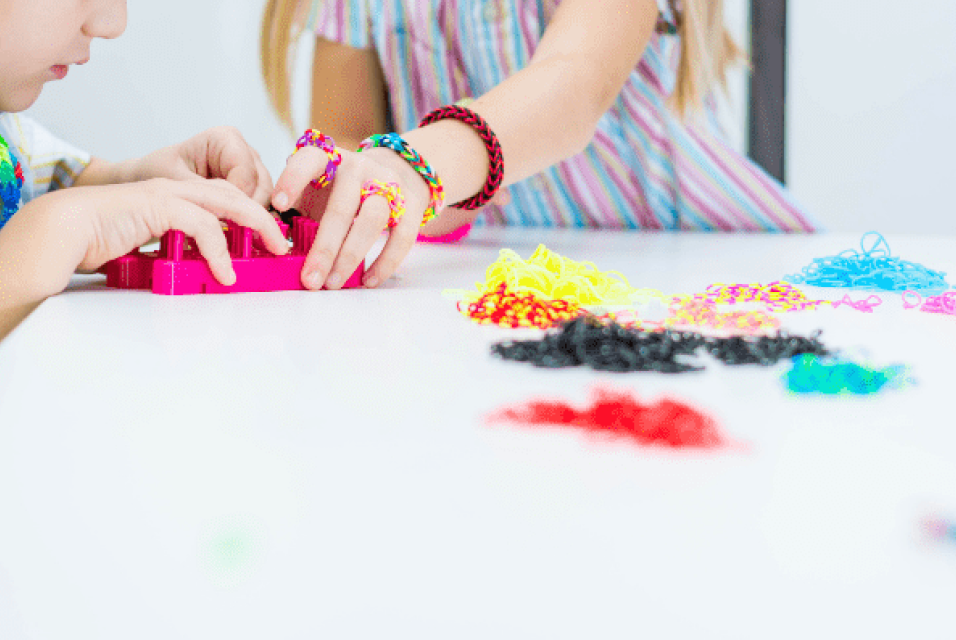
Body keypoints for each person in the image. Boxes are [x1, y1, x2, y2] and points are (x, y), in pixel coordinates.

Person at [260, 0, 817, 294]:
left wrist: (420, 164)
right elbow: (347, 135)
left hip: (693, 262)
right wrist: (394, 196)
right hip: (489, 271)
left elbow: (573, 85)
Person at [0, 0, 289, 340]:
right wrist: (68, 226)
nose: (113, 24)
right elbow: (55, 220)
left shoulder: (10, 130)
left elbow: (58, 181)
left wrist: (144, 182)